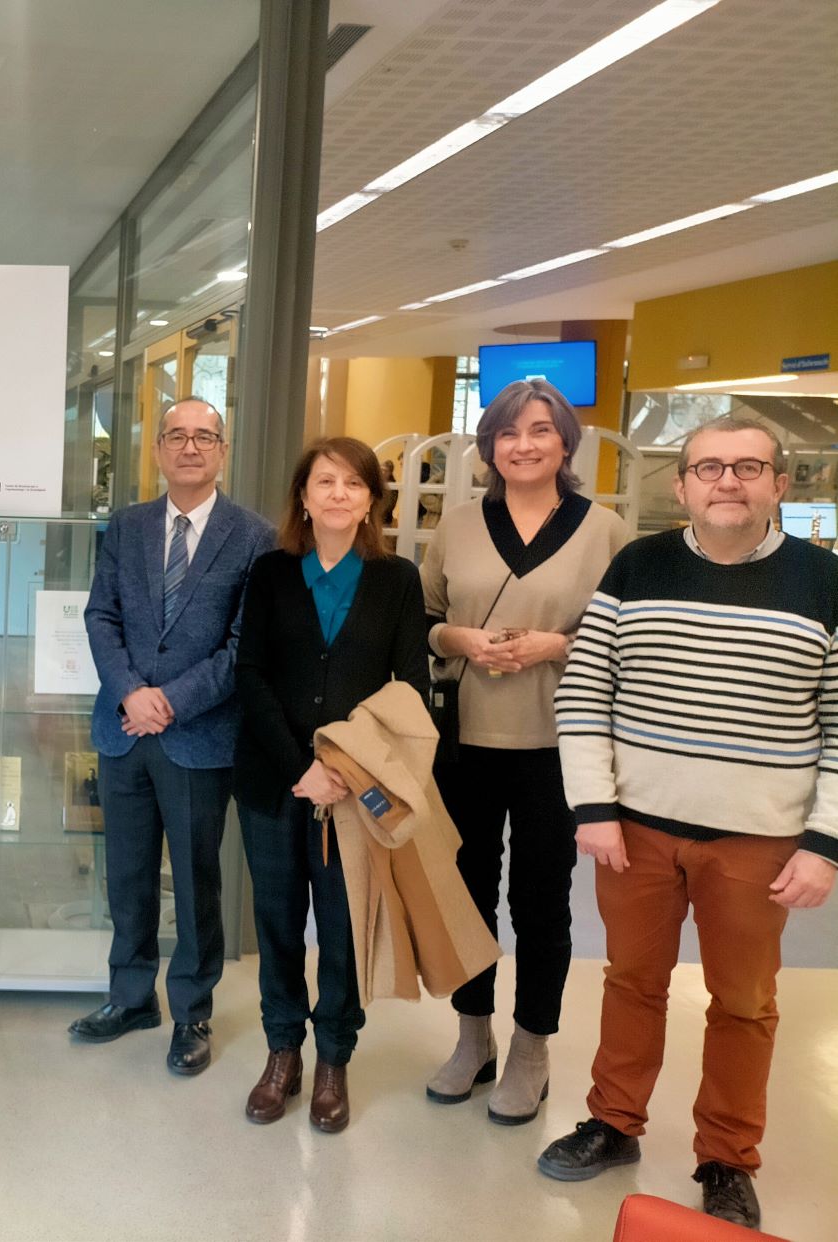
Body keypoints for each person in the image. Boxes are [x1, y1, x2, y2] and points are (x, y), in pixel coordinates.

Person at [539, 415, 837, 1230]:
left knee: (743, 1002)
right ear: (680, 487)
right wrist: (593, 807)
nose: (726, 481)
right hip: (634, 833)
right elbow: (584, 692)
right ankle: (613, 1122)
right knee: (631, 982)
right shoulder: (637, 567)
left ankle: (726, 1157)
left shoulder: (823, 582)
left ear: (780, 484)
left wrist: (823, 846)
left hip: (757, 841)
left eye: (747, 467)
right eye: (708, 467)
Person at [420, 379, 628, 1125]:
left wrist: (556, 645)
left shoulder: (604, 531)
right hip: (464, 742)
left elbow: (627, 635)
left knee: (540, 902)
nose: (524, 445)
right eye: (507, 433)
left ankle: (531, 1049)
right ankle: (471, 1034)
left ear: (565, 442)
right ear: (489, 447)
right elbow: (424, 619)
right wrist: (459, 639)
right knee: (467, 896)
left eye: (540, 430)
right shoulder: (459, 524)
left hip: (555, 745)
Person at [71, 396, 273, 1074]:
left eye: (203, 437)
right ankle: (131, 996)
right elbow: (101, 616)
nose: (189, 447)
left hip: (199, 736)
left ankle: (191, 1011)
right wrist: (131, 690)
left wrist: (170, 702)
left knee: (194, 881)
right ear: (157, 449)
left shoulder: (254, 537)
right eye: (176, 436)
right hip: (124, 728)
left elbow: (243, 645)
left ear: (222, 450)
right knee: (126, 874)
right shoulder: (127, 526)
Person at [233, 436, 429, 1132]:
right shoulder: (271, 572)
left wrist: (346, 767)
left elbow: (409, 688)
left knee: (343, 931)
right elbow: (249, 674)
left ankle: (334, 1059)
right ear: (304, 497)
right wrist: (302, 768)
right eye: (325, 482)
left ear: (372, 500)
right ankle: (282, 1052)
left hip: (354, 793)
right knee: (278, 923)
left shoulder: (397, 579)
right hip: (275, 783)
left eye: (353, 483)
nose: (339, 494)